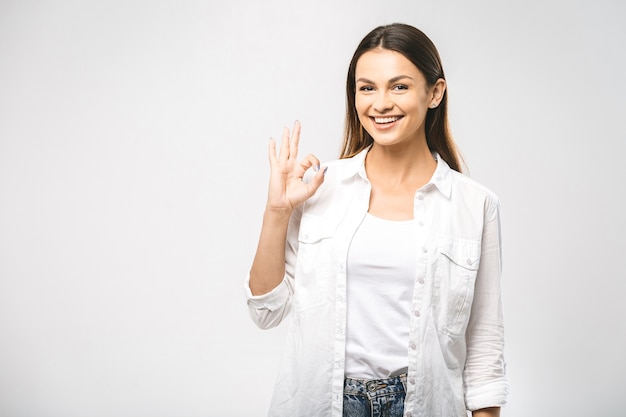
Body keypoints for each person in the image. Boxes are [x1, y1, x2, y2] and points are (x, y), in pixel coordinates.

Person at [245, 23, 509, 417]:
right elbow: (266, 311)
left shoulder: (474, 204)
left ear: (434, 93)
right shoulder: (318, 189)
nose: (380, 103)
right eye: (366, 88)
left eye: (399, 86)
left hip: (425, 404)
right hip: (325, 402)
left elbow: (484, 340)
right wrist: (278, 211)